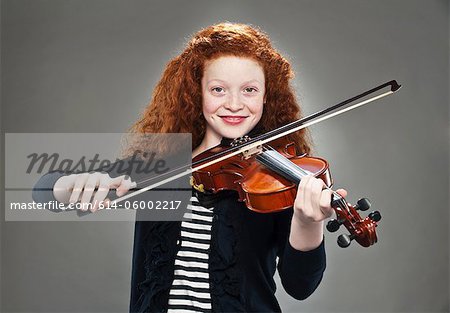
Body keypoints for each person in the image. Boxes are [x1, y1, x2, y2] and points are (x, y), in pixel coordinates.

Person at [33, 22, 347, 313]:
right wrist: (77, 184)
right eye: (218, 89)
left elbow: (300, 286)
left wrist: (307, 222)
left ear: (267, 96)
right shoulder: (160, 166)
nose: (234, 104)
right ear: (197, 93)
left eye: (249, 90)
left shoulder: (275, 179)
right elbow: (41, 192)